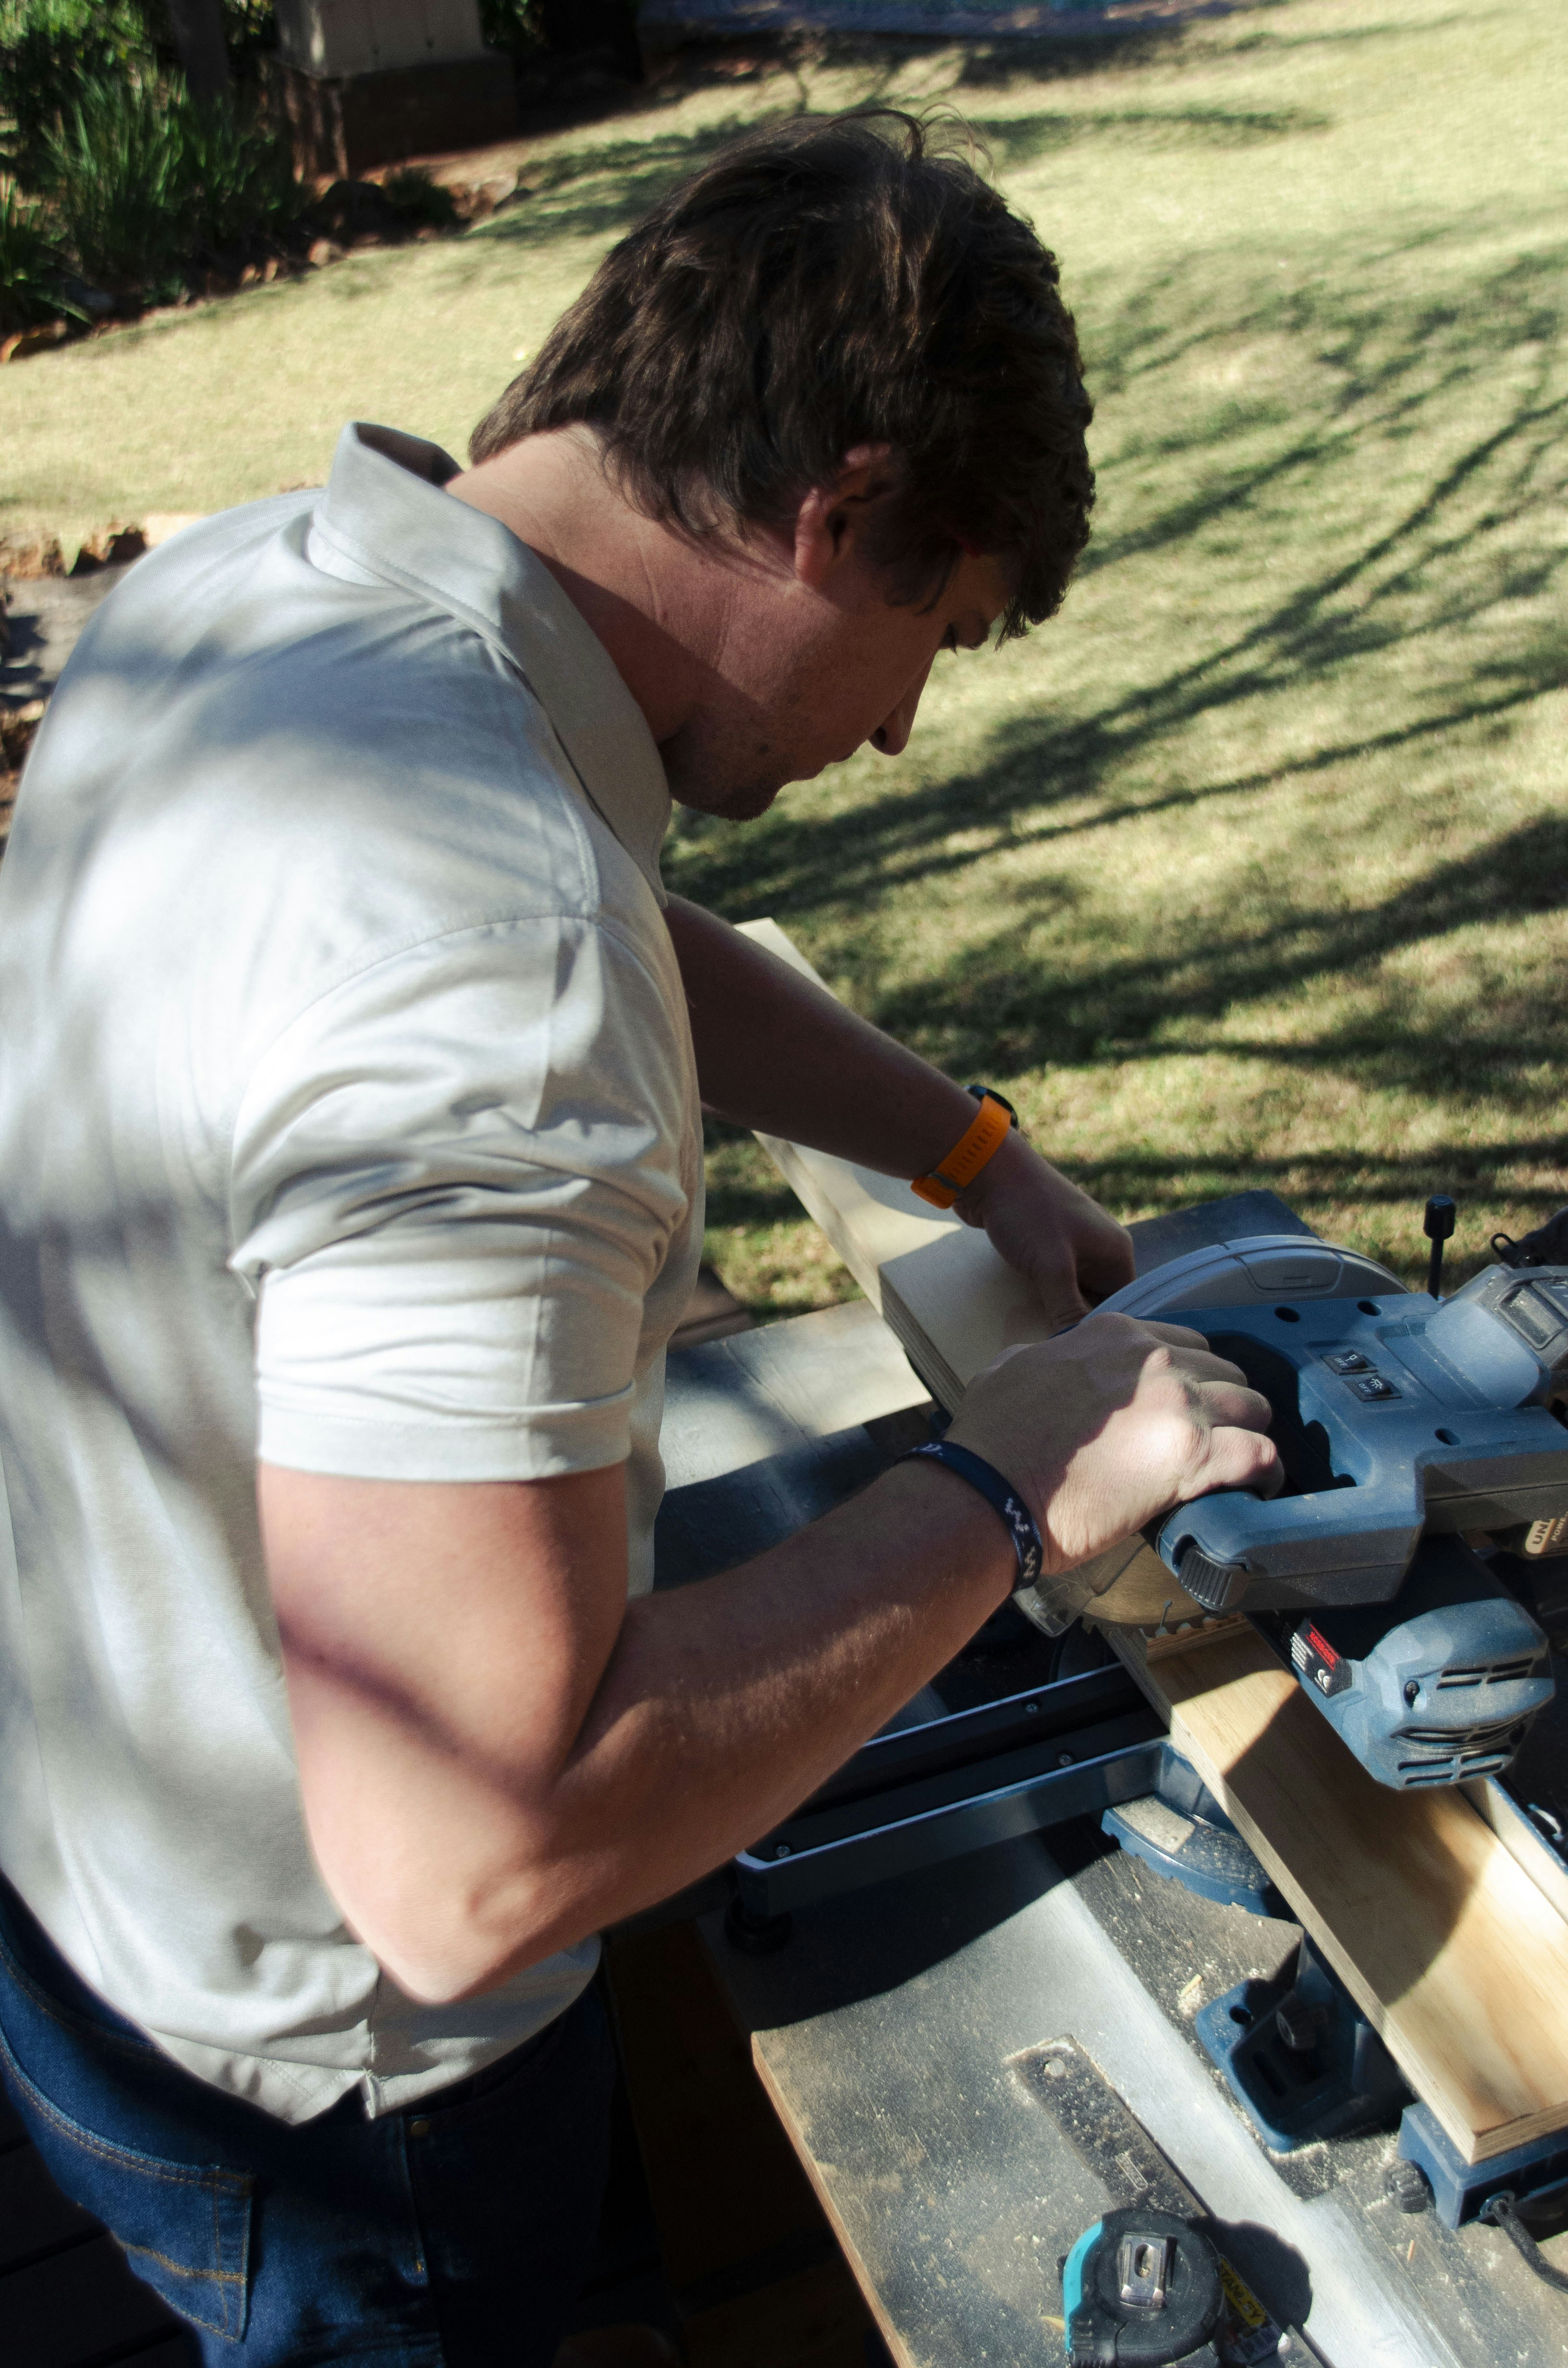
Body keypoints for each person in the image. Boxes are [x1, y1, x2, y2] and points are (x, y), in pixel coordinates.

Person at [0, 111, 1279, 2365]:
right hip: (340, 2100)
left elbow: (609, 927)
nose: (894, 726)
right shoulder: (489, 955)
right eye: (931, 637)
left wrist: (971, 1149)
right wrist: (1019, 1483)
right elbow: (479, 1852)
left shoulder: (246, 600)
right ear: (837, 512)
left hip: (91, 1879)